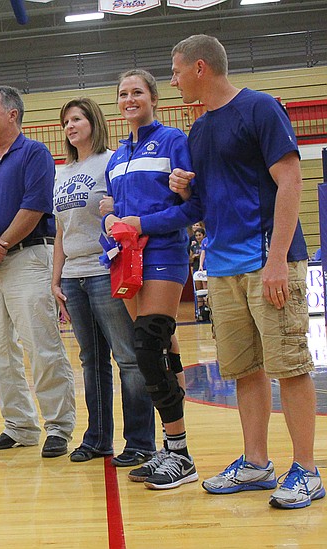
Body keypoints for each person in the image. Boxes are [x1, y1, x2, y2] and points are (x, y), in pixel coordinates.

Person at [170, 34, 322, 509]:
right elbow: (202, 204)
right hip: (222, 268)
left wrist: (278, 259)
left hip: (268, 263)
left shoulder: (260, 109)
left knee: (290, 367)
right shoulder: (198, 131)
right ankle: (256, 463)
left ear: (200, 67)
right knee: (243, 370)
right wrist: (181, 191)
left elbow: (291, 179)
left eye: (175, 71)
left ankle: (307, 470)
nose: (172, 81)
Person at [0, 85, 76, 458]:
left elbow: (34, 208)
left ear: (12, 114)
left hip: (28, 259)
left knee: (41, 345)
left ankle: (58, 427)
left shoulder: (36, 154)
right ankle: (20, 425)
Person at [103, 69, 198, 490]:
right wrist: (109, 219)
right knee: (161, 349)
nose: (129, 99)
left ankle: (179, 452)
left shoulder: (175, 141)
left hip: (162, 254)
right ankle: (170, 445)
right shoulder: (117, 157)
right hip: (127, 261)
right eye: (123, 94)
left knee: (147, 344)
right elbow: (115, 211)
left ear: (154, 97)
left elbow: (190, 209)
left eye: (137, 92)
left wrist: (142, 222)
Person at [50, 98, 156, 467]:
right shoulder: (61, 173)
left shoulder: (111, 161)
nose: (70, 126)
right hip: (73, 276)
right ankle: (97, 439)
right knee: (91, 361)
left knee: (127, 358)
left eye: (77, 119)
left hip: (105, 271)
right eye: (66, 121)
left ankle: (141, 441)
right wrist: (55, 279)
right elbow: (62, 230)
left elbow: (123, 210)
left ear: (93, 122)